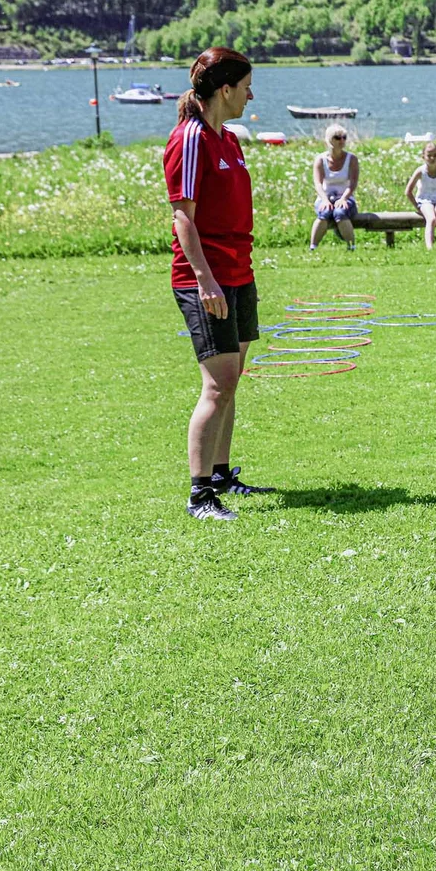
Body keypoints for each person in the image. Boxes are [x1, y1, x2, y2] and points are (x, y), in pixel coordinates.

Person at [163, 47, 275, 522]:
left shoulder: (229, 138)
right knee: (217, 385)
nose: (252, 94)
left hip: (238, 273)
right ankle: (199, 496)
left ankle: (223, 474)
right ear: (224, 90)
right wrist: (206, 281)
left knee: (231, 381)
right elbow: (182, 218)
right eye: (246, 86)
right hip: (204, 279)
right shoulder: (190, 139)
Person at [308, 124, 360, 250]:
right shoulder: (320, 160)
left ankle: (351, 246)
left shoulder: (351, 159)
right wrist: (325, 200)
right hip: (325, 197)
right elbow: (318, 183)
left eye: (344, 137)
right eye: (337, 138)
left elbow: (353, 183)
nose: (341, 141)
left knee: (340, 212)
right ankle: (313, 247)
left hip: (345, 197)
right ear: (329, 140)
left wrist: (343, 199)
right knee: (324, 213)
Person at [404, 141, 436, 251]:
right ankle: (429, 247)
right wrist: (417, 206)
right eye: (429, 155)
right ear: (423, 156)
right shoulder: (420, 171)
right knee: (431, 219)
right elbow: (408, 191)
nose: (432, 158)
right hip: (425, 200)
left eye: (435, 155)